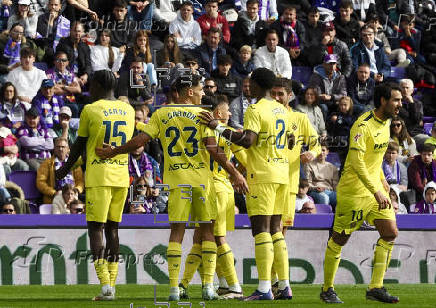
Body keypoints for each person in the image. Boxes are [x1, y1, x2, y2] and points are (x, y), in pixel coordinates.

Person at [95, 73, 248, 301]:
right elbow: (213, 150)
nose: (203, 93)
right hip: (202, 182)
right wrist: (234, 172)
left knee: (176, 233)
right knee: (207, 232)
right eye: (200, 90)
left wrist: (113, 151)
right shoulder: (203, 115)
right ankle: (207, 286)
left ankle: (175, 288)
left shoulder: (161, 114)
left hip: (176, 182)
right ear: (189, 92)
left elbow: (139, 142)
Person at [199, 68, 293, 300]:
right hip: (283, 174)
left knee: (261, 229)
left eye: (250, 84)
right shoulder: (283, 109)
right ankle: (284, 285)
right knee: (276, 231)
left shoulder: (255, 109)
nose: (248, 87)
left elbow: (247, 141)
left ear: (259, 86)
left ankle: (263, 289)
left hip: (262, 174)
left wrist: (217, 126)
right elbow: (291, 140)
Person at [55, 70, 135, 301]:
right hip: (122, 176)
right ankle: (112, 283)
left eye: (92, 85)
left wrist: (63, 169)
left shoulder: (90, 110)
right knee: (113, 229)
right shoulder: (128, 110)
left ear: (99, 85)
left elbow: (79, 145)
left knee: (95, 228)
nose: (90, 90)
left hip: (100, 177)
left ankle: (106, 286)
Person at [320, 82, 402, 304]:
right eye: (396, 99)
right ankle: (327, 289)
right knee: (339, 239)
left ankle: (375, 287)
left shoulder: (386, 124)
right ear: (383, 100)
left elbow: (373, 160)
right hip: (354, 191)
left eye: (401, 100)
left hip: (375, 189)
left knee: (390, 233)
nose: (400, 104)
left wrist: (382, 181)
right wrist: (375, 189)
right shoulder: (362, 125)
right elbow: (356, 162)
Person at [179, 95, 247, 300]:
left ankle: (234, 286)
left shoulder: (200, 130)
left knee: (215, 238)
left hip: (210, 188)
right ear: (217, 114)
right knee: (200, 238)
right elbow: (246, 160)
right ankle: (218, 285)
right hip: (224, 188)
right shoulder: (230, 134)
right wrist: (236, 174)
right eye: (228, 111)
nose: (231, 114)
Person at [269, 77, 320, 293]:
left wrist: (312, 152)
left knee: (279, 232)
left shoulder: (299, 118)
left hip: (289, 183)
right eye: (274, 93)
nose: (277, 98)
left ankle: (275, 283)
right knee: (271, 232)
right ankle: (278, 284)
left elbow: (316, 143)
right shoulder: (265, 114)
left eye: (281, 94)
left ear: (290, 95)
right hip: (268, 181)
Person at [36, 137, 83, 204]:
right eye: (58, 147)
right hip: (55, 197)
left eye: (63, 147)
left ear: (68, 149)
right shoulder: (46, 163)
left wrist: (77, 190)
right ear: (54, 149)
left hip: (72, 194)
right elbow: (40, 183)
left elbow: (80, 181)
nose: (60, 149)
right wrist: (54, 193)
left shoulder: (74, 162)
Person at [45, 50, 81, 117]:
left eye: (64, 60)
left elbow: (78, 90)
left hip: (70, 100)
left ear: (67, 62)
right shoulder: (49, 73)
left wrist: (63, 87)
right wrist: (70, 89)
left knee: (75, 108)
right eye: (58, 60)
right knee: (74, 108)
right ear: (54, 62)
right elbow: (52, 90)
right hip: (56, 101)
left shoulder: (71, 74)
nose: (61, 62)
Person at [55, 21, 91, 89]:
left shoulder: (85, 46)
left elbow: (88, 64)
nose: (77, 33)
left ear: (83, 32)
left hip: (81, 75)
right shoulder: (63, 44)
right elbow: (61, 63)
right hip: (66, 74)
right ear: (70, 31)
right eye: (75, 31)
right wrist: (73, 77)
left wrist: (86, 75)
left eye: (79, 31)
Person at [16, 106, 53, 171]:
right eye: (29, 118)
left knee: (55, 169)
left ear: (38, 118)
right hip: (31, 159)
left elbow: (50, 145)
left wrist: (33, 146)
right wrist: (43, 141)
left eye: (34, 118)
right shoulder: (22, 130)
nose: (32, 120)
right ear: (26, 118)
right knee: (39, 169)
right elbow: (27, 143)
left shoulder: (44, 131)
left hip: (46, 159)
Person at [305, 144, 339, 208]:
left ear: (327, 152)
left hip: (329, 191)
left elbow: (335, 185)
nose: (321, 153)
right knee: (324, 198)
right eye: (319, 150)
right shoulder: (309, 165)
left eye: (323, 150)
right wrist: (316, 188)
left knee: (340, 198)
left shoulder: (332, 167)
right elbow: (307, 183)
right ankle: (324, 217)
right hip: (315, 191)